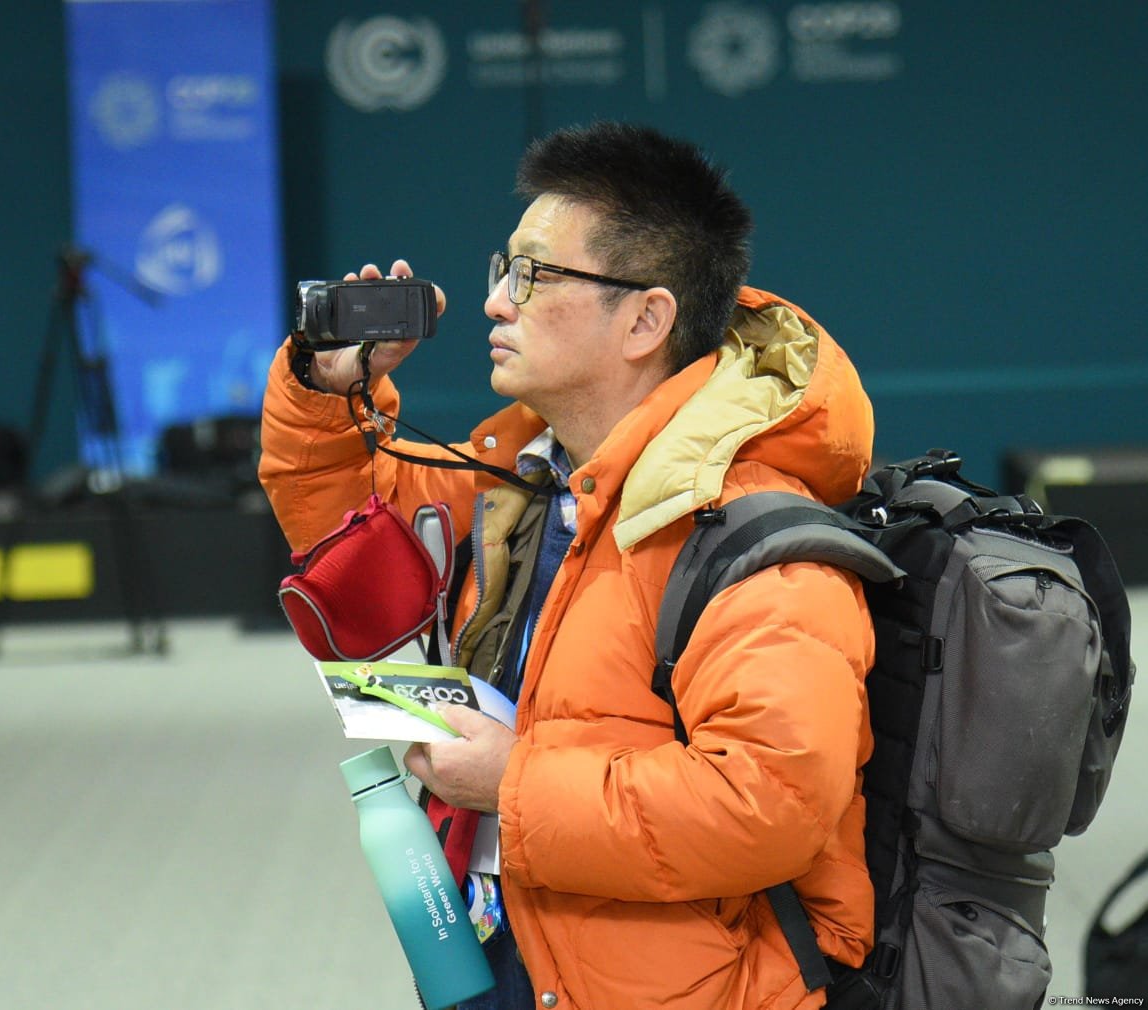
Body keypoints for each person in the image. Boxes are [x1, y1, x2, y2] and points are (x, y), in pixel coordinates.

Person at [259, 121, 876, 1010]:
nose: (495, 304)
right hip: (516, 950)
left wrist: (514, 783)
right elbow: (353, 544)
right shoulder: (533, 484)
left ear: (646, 319)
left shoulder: (755, 545)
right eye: (501, 270)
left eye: (534, 276)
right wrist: (328, 393)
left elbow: (767, 805)